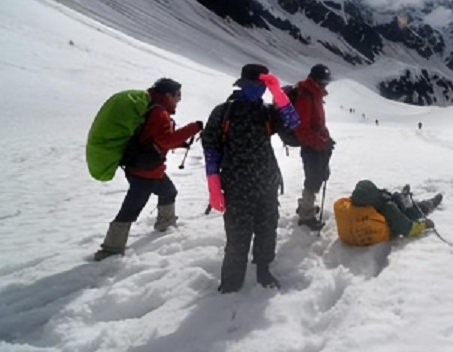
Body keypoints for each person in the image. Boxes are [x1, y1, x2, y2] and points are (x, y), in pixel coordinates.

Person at [202, 64, 299, 293]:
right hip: (236, 184)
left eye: (263, 86)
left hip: (267, 181)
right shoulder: (223, 111)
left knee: (267, 229)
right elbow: (211, 148)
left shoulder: (267, 112)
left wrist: (279, 93)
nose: (258, 89)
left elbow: (293, 123)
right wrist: (213, 184)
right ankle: (231, 281)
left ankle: (263, 269)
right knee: (237, 234)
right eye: (254, 85)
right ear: (242, 84)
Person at [94, 78, 203, 261]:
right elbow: (166, 140)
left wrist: (180, 141)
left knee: (168, 191)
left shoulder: (151, 107)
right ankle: (111, 249)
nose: (179, 99)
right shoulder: (158, 113)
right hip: (145, 171)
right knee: (132, 207)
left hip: (144, 166)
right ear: (168, 95)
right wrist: (194, 128)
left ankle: (165, 224)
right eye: (177, 95)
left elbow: (154, 139)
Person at [335, 181, 443, 245]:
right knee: (409, 212)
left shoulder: (350, 206)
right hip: (387, 227)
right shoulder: (387, 207)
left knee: (395, 199)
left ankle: (402, 197)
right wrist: (424, 225)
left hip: (354, 235)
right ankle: (429, 204)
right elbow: (408, 229)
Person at [293, 64, 334, 229]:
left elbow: (317, 123)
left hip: (317, 143)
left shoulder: (314, 94)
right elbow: (302, 128)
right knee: (314, 178)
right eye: (324, 81)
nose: (326, 85)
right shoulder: (306, 96)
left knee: (320, 175)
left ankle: (305, 206)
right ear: (316, 80)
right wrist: (321, 142)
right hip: (311, 145)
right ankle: (306, 215)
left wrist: (326, 139)